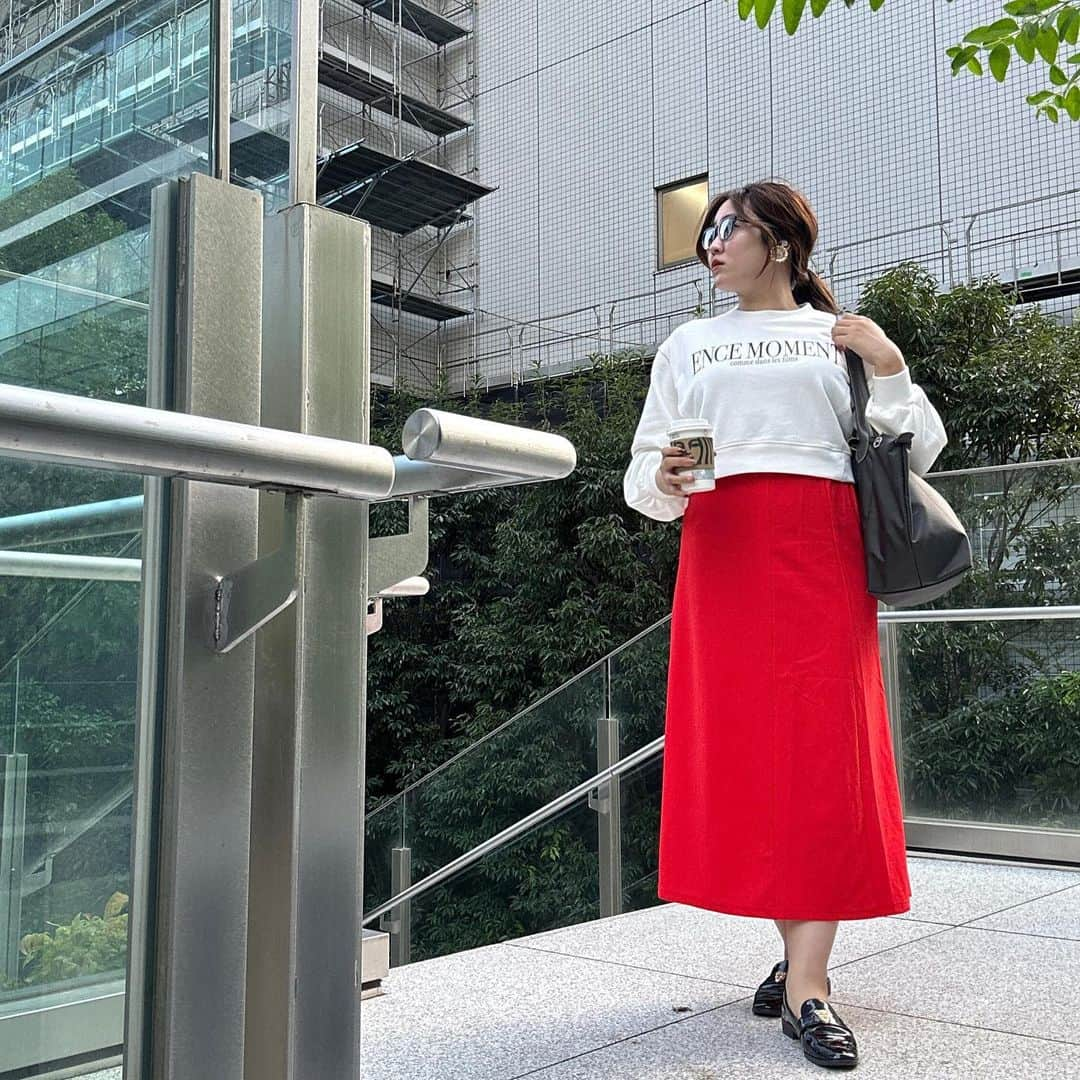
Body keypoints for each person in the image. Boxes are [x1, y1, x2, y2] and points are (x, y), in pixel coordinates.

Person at [622, 181, 948, 1071]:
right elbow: (646, 479)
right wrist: (673, 478)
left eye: (731, 229)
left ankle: (810, 987)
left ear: (782, 245)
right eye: (709, 232)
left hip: (824, 549)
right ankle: (802, 959)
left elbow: (912, 451)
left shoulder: (839, 336)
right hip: (723, 547)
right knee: (756, 757)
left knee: (823, 753)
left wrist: (887, 365)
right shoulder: (689, 343)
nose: (713, 244)